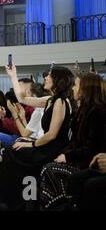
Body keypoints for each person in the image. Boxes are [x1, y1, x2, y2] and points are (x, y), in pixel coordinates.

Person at [0, 64, 74, 211]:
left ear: (58, 80)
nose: (46, 77)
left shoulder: (61, 102)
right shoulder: (51, 99)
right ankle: (11, 198)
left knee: (12, 152)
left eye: (49, 75)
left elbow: (51, 135)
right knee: (10, 150)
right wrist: (13, 76)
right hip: (46, 145)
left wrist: (31, 144)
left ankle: (18, 201)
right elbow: (22, 98)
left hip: (52, 149)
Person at [40, 72, 106, 210]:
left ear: (85, 89)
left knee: (49, 169)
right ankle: (54, 205)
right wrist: (64, 154)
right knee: (48, 165)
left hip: (89, 161)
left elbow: (91, 148)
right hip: (80, 157)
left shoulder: (97, 112)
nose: (73, 88)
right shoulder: (83, 109)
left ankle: (59, 205)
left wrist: (67, 155)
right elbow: (76, 142)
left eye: (76, 85)